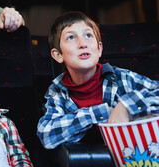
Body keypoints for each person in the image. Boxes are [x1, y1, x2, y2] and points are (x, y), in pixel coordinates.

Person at [37, 11, 159, 149]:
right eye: (71, 37)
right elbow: (46, 134)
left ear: (99, 49)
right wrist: (101, 113)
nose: (83, 43)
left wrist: (126, 106)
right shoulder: (58, 92)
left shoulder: (122, 78)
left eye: (88, 35)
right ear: (58, 55)